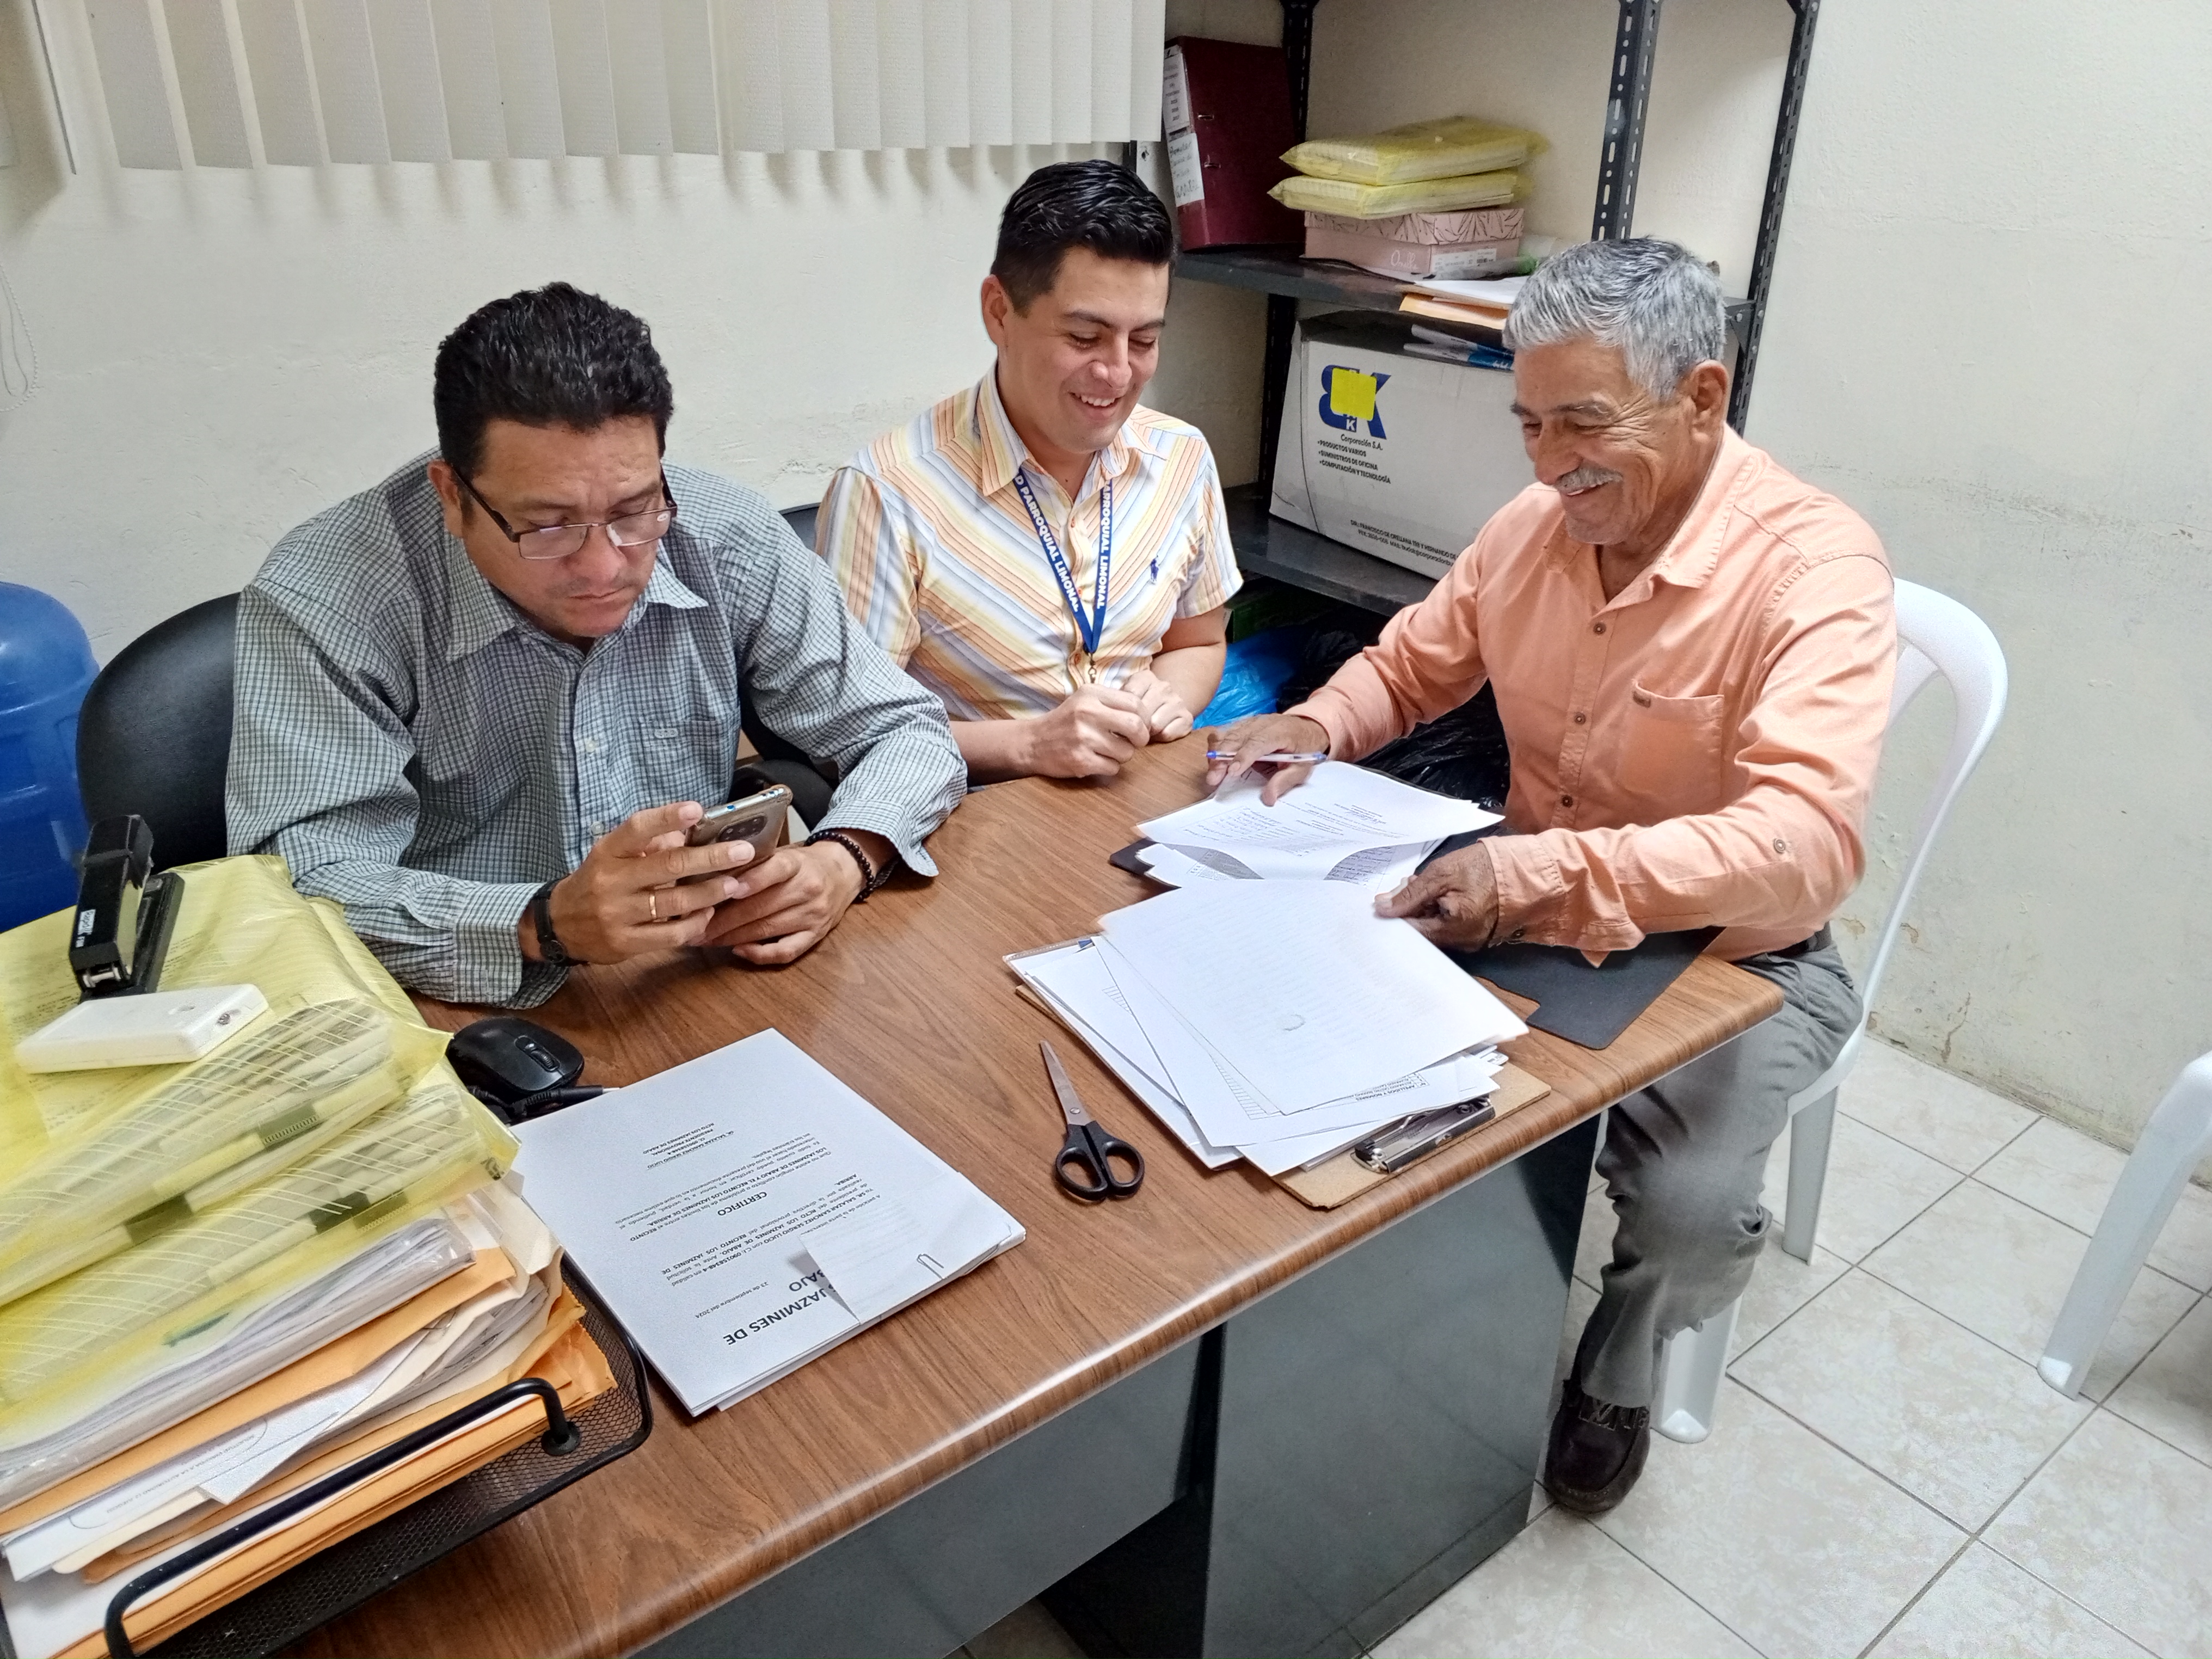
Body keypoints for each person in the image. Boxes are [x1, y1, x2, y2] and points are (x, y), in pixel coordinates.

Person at [1211, 238, 1895, 1514]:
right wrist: (1313, 724)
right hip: (1525, 901)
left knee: (1689, 1207)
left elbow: (1803, 839)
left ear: (1701, 396)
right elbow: (1409, 665)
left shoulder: (1815, 571)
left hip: (1732, 955)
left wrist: (1538, 874)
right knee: (1316, 1048)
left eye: (1582, 423)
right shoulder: (1533, 528)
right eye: (1527, 423)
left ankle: (1618, 1366)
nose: (1546, 464)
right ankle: (1407, 1319)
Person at [228, 283, 966, 1009]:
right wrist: (540, 923)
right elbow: (296, 888)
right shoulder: (327, 599)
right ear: (452, 494)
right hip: (451, 1008)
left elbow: (904, 729)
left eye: (634, 510)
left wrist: (844, 858)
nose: (606, 567)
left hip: (685, 982)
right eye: (548, 527)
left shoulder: (725, 535)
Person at [817, 159, 1241, 783]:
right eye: (1084, 337)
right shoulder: (888, 492)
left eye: (1144, 342)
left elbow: (1198, 642)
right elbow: (847, 728)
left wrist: (1166, 697)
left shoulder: (1180, 457)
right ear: (999, 313)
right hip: (973, 812)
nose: (1117, 373)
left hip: (1135, 798)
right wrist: (1026, 745)